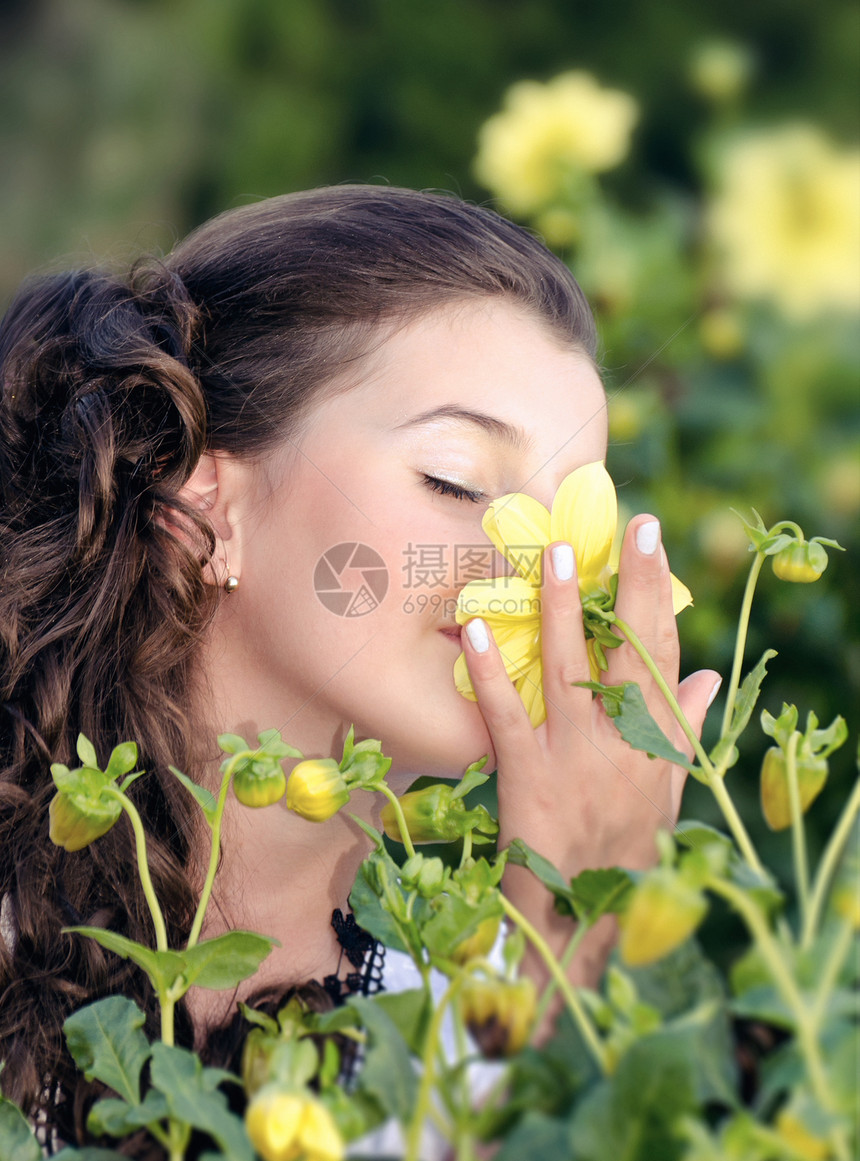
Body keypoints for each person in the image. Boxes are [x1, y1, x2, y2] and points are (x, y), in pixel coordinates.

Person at [0, 185, 719, 1151]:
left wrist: (578, 922)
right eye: (457, 479)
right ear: (202, 504)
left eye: (570, 516)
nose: (546, 569)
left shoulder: (448, 1018)